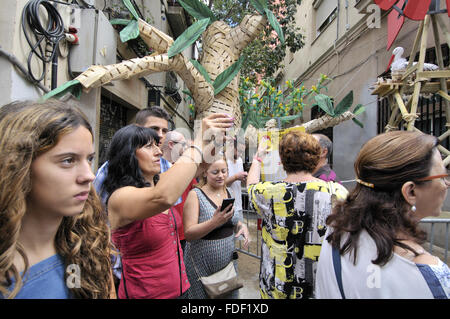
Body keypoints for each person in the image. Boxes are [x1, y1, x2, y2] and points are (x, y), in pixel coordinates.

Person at [102, 114, 233, 299]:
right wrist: (198, 141)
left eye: (157, 145)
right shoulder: (120, 198)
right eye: (149, 146)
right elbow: (164, 197)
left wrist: (215, 140)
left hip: (181, 289)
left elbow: (202, 166)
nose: (158, 152)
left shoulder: (159, 182)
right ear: (128, 154)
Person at [0, 100, 115, 299]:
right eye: (68, 160)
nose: (88, 175)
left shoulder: (82, 244)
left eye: (89, 159)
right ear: (18, 167)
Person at [316, 131, 450, 299]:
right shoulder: (431, 277)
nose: (447, 184)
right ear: (411, 191)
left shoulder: (336, 234)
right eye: (443, 176)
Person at [246, 130, 348, 299]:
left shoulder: (268, 192)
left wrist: (258, 158)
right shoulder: (337, 192)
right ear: (316, 156)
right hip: (319, 288)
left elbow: (251, 186)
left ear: (282, 160)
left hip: (276, 287)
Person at [183, 157, 250, 299]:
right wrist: (214, 222)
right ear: (205, 173)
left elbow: (234, 221)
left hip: (227, 264)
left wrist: (241, 226)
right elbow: (189, 234)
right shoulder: (195, 195)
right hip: (202, 266)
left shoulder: (229, 192)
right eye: (215, 172)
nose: (221, 176)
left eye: (224, 171)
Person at [94, 106, 173, 204]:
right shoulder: (110, 168)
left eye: (164, 131)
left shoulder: (170, 169)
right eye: (154, 128)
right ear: (137, 128)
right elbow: (93, 205)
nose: (160, 135)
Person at [161, 130, 197, 252]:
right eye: (183, 144)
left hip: (184, 229)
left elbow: (196, 189)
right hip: (165, 232)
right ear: (171, 144)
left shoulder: (185, 167)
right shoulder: (155, 169)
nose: (186, 148)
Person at [225, 135, 248, 223]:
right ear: (231, 146)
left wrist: (244, 178)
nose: (241, 154)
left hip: (239, 205)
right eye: (239, 151)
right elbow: (221, 185)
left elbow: (240, 181)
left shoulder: (239, 161)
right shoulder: (224, 161)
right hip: (227, 208)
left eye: (243, 152)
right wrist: (235, 177)